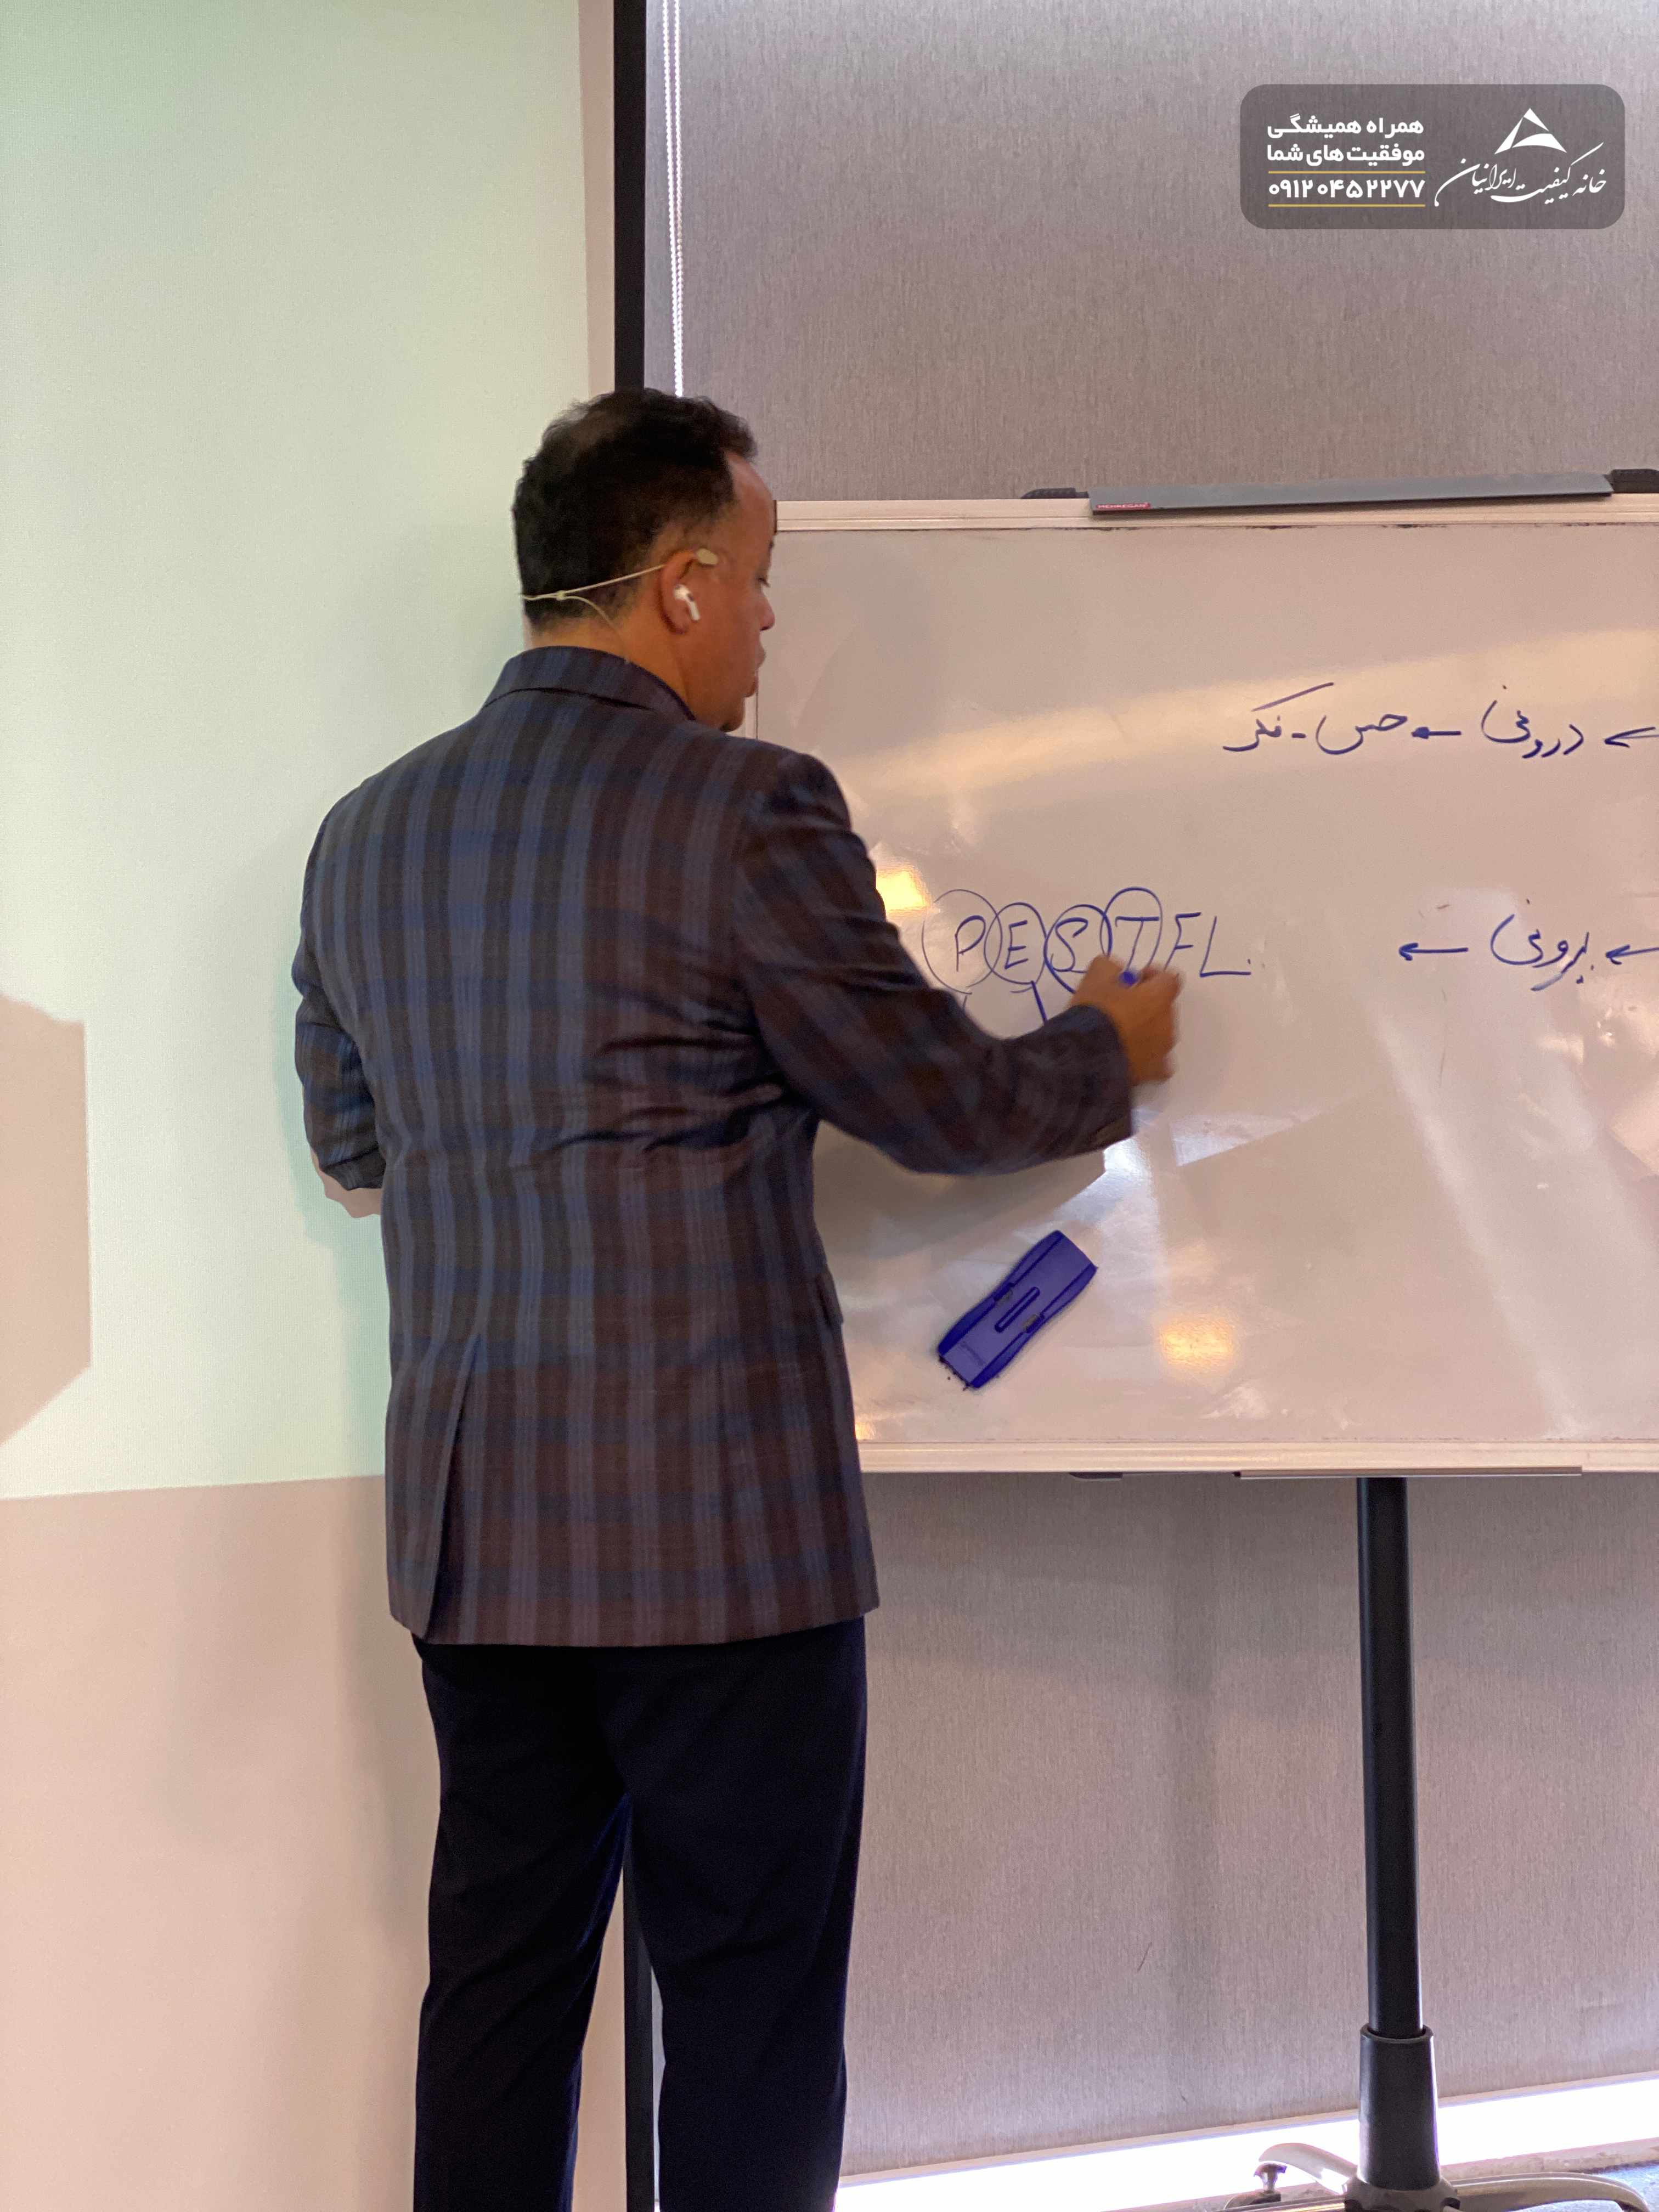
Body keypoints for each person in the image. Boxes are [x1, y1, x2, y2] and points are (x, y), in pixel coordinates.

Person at [291, 388, 1180, 2212]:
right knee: (750, 2012)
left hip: (477, 1535)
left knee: (500, 1993)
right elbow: (938, 1105)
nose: (771, 625)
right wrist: (1110, 1048)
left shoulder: (364, 835)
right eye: (760, 583)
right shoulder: (748, 809)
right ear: (680, 586)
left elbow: (353, 1140)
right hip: (715, 1543)